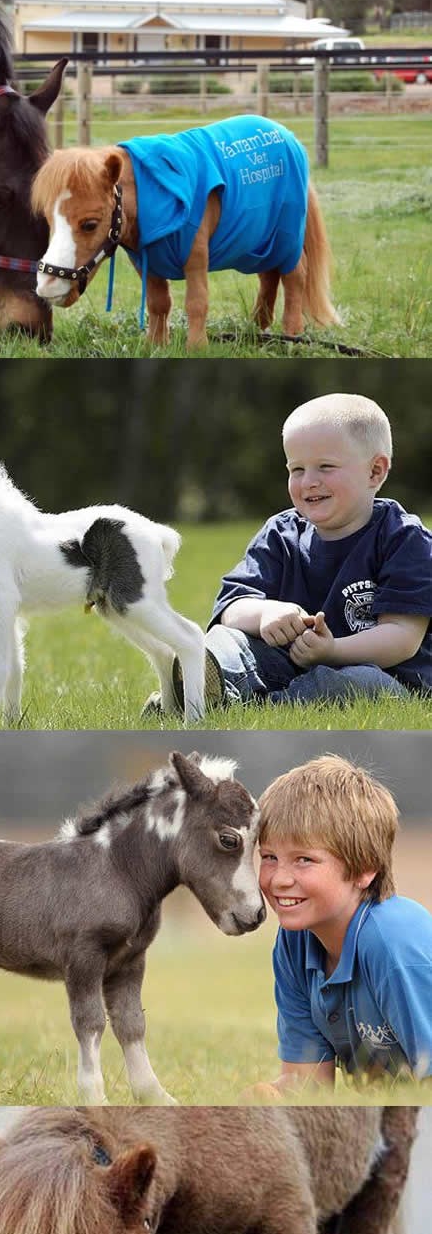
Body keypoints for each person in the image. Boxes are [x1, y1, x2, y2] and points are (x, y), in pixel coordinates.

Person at [204, 391, 432, 707]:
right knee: (225, 642)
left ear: (375, 471)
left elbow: (402, 637)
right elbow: (231, 608)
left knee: (361, 684)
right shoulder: (280, 534)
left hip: (384, 675)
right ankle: (194, 687)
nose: (308, 481)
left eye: (325, 466)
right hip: (287, 665)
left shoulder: (403, 538)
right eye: (297, 469)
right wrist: (265, 613)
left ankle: (254, 704)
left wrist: (333, 651)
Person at [257, 753, 432, 1085]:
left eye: (304, 859)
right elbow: (309, 1087)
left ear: (365, 868)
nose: (278, 878)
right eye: (269, 857)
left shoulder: (392, 943)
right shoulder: (295, 941)